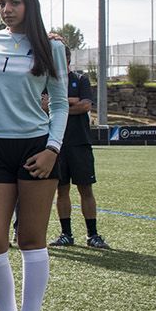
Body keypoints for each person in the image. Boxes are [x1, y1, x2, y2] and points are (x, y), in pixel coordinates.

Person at [0, 0, 68, 311]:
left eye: (14, 2)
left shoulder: (51, 47)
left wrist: (53, 150)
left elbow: (60, 104)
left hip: (36, 149)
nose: (7, 9)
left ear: (29, 4)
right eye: (1, 3)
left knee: (30, 239)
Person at [48, 38, 107, 249]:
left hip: (80, 144)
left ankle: (93, 235)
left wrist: (60, 105)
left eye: (60, 57)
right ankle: (66, 234)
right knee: (61, 191)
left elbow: (84, 106)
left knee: (86, 190)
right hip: (56, 145)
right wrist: (70, 101)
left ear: (67, 59)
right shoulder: (46, 81)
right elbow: (42, 105)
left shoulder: (81, 79)